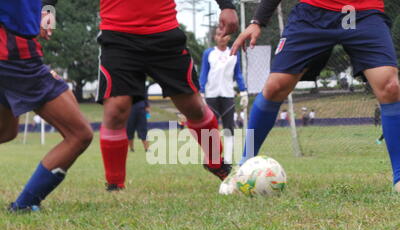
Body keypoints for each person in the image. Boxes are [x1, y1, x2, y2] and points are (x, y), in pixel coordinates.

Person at [232, 0, 400, 191]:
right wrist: (257, 21)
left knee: (390, 86)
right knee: (275, 86)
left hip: (364, 12)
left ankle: (399, 178)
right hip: (313, 12)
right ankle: (243, 169)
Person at [96, 0, 239, 191]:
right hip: (118, 36)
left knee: (193, 108)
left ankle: (215, 161)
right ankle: (115, 184)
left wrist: (227, 5)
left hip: (164, 32)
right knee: (115, 109)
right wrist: (48, 8)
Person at [0, 0, 93, 211]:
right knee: (79, 134)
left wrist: (46, 9)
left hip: (15, 50)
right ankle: (25, 205)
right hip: (13, 55)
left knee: (5, 132)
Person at [200, 27, 248, 164]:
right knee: (210, 128)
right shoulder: (208, 53)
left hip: (227, 94)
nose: (221, 37)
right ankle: (211, 157)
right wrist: (201, 91)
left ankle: (227, 160)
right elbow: (204, 73)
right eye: (218, 35)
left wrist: (243, 91)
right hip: (211, 95)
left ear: (228, 38)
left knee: (229, 127)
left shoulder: (234, 53)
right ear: (215, 37)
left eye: (224, 35)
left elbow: (237, 74)